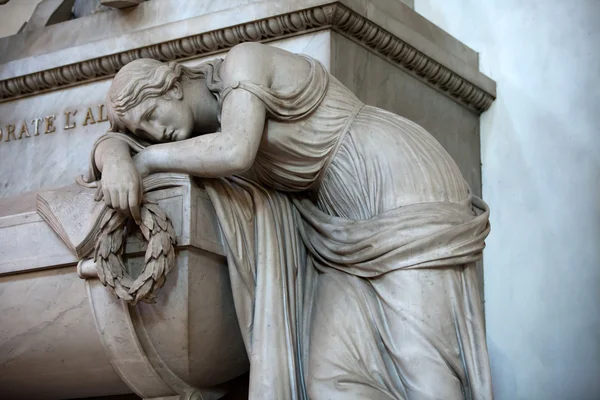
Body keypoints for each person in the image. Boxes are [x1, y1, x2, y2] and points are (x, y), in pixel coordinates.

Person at [89, 42, 493, 400]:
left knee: (422, 365)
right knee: (331, 377)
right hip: (338, 219)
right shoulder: (194, 138)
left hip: (395, 178)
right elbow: (112, 145)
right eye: (144, 131)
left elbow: (235, 152)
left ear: (172, 86)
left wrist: (144, 160)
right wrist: (117, 160)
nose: (155, 133)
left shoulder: (243, 63)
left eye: (152, 114)